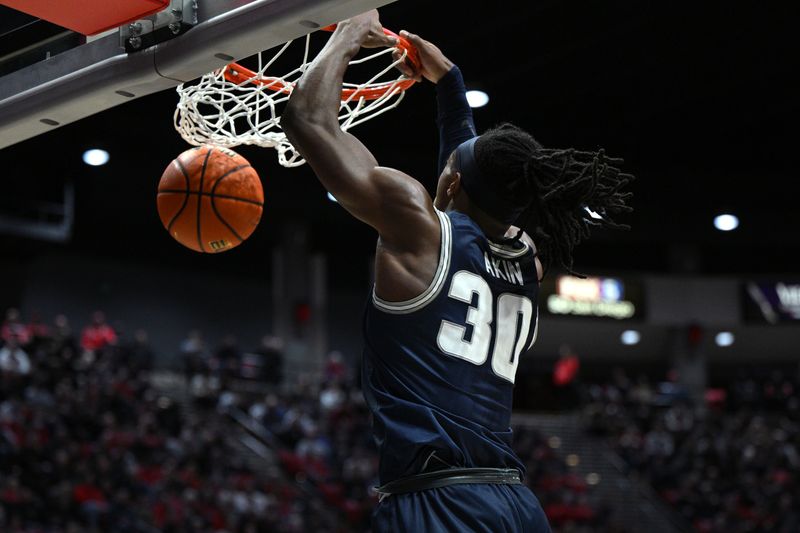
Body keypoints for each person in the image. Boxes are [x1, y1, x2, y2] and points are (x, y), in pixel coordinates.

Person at [282, 10, 633, 532]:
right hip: (517, 507)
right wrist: (450, 85)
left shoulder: (416, 224)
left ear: (450, 186)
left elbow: (307, 120)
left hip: (438, 505)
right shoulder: (527, 258)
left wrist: (349, 33)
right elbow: (466, 186)